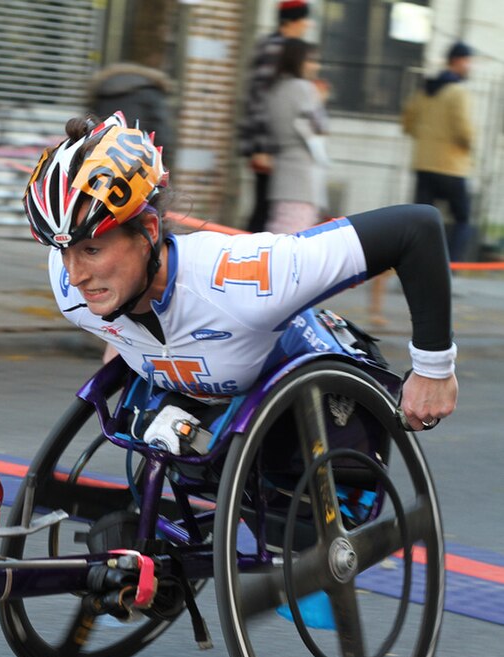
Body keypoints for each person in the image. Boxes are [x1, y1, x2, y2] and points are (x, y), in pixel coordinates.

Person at [24, 113, 457, 432]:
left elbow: (415, 228)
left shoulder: (250, 279)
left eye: (92, 249)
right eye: (63, 252)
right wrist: (120, 338)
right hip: (207, 424)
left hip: (314, 426)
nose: (75, 275)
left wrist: (433, 368)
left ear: (149, 232)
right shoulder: (69, 288)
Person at [239, 0, 312, 233]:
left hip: (273, 146)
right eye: (304, 20)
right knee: (264, 210)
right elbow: (260, 99)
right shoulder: (276, 49)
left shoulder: (276, 45)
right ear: (293, 21)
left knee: (267, 209)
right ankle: (246, 261)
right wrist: (261, 148)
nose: (308, 25)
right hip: (267, 146)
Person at [402, 41, 476, 263]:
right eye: (468, 61)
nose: (470, 67)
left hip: (424, 165)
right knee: (462, 219)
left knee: (422, 222)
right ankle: (449, 268)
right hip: (451, 166)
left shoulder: (424, 90)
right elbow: (464, 130)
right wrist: (471, 144)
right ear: (458, 60)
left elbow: (407, 123)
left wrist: (426, 138)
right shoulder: (458, 92)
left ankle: (416, 267)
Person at [265, 38, 329, 234]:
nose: (315, 66)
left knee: (279, 234)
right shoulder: (304, 89)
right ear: (298, 60)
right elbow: (320, 126)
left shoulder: (276, 89)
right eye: (311, 60)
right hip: (303, 176)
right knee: (296, 241)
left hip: (283, 173)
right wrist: (320, 100)